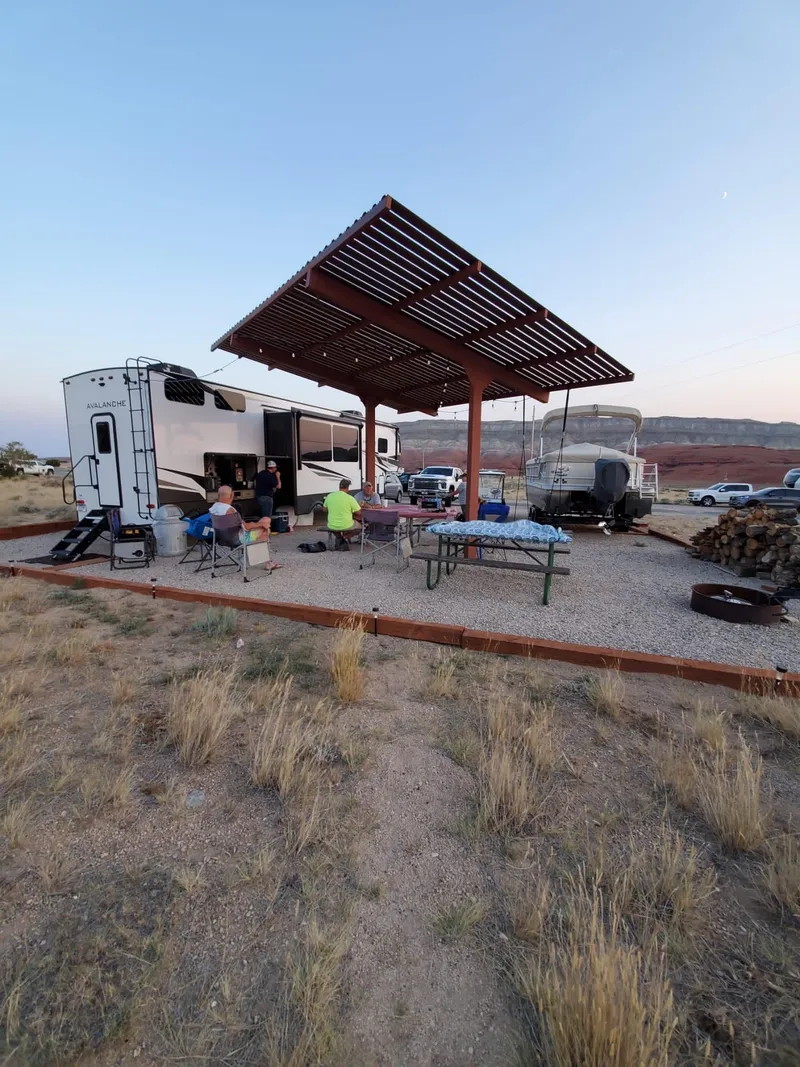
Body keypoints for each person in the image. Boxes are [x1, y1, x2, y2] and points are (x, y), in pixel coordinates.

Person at [209, 486, 281, 569]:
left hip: (222, 539)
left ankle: (254, 558)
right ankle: (265, 562)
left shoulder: (213, 508)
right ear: (231, 495)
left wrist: (256, 524)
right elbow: (246, 527)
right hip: (240, 539)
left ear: (218, 495)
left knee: (266, 520)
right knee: (265, 530)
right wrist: (260, 525)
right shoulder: (230, 510)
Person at [322, 478, 362, 551]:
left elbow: (324, 510)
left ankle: (339, 539)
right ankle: (343, 539)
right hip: (347, 524)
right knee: (361, 528)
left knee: (334, 527)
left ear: (339, 487)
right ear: (348, 488)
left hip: (332, 524)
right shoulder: (350, 498)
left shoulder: (330, 496)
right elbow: (359, 512)